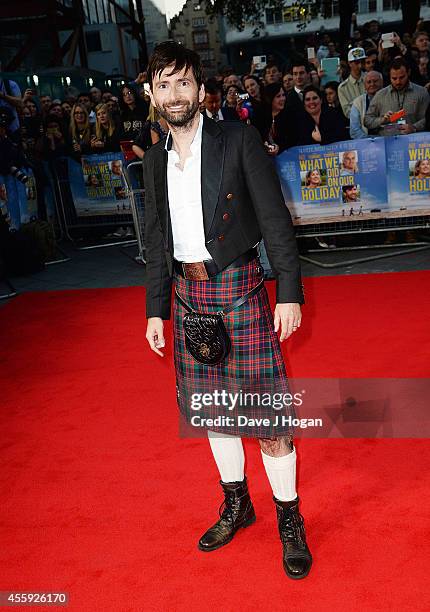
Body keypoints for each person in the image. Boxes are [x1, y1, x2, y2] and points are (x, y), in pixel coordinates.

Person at [143, 41, 312, 580]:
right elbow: (154, 240)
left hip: (239, 290)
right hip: (188, 297)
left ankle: (290, 518)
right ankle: (237, 503)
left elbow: (274, 219)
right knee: (214, 413)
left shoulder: (236, 140)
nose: (175, 94)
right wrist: (155, 310)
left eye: (184, 82)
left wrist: (289, 290)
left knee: (267, 421)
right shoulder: (151, 160)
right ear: (151, 94)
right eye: (164, 84)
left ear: (200, 88)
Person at [364, 58, 430, 135]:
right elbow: (367, 121)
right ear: (389, 76)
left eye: (401, 77)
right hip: (387, 141)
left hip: (413, 142)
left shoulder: (421, 92)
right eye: (394, 78)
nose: (398, 82)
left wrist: (414, 127)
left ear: (408, 73)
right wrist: (382, 120)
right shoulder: (380, 95)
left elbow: (427, 119)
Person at [350, 71, 383, 139]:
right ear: (364, 85)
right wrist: (370, 141)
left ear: (382, 83)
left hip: (388, 139)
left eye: (375, 81)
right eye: (369, 82)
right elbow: (354, 130)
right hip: (366, 143)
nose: (372, 84)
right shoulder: (357, 102)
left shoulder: (390, 97)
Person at [338, 47, 367, 118]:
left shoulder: (371, 78)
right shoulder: (342, 88)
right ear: (349, 63)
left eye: (362, 62)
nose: (360, 66)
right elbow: (347, 112)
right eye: (357, 62)